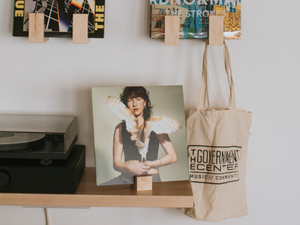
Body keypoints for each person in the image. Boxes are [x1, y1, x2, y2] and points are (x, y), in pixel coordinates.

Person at [101, 87, 178, 185]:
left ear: (145, 103)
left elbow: (173, 156)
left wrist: (151, 164)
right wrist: (129, 168)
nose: (134, 104)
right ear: (126, 105)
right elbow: (116, 163)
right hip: (125, 179)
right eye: (130, 100)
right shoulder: (120, 128)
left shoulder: (155, 125)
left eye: (138, 99)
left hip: (151, 180)